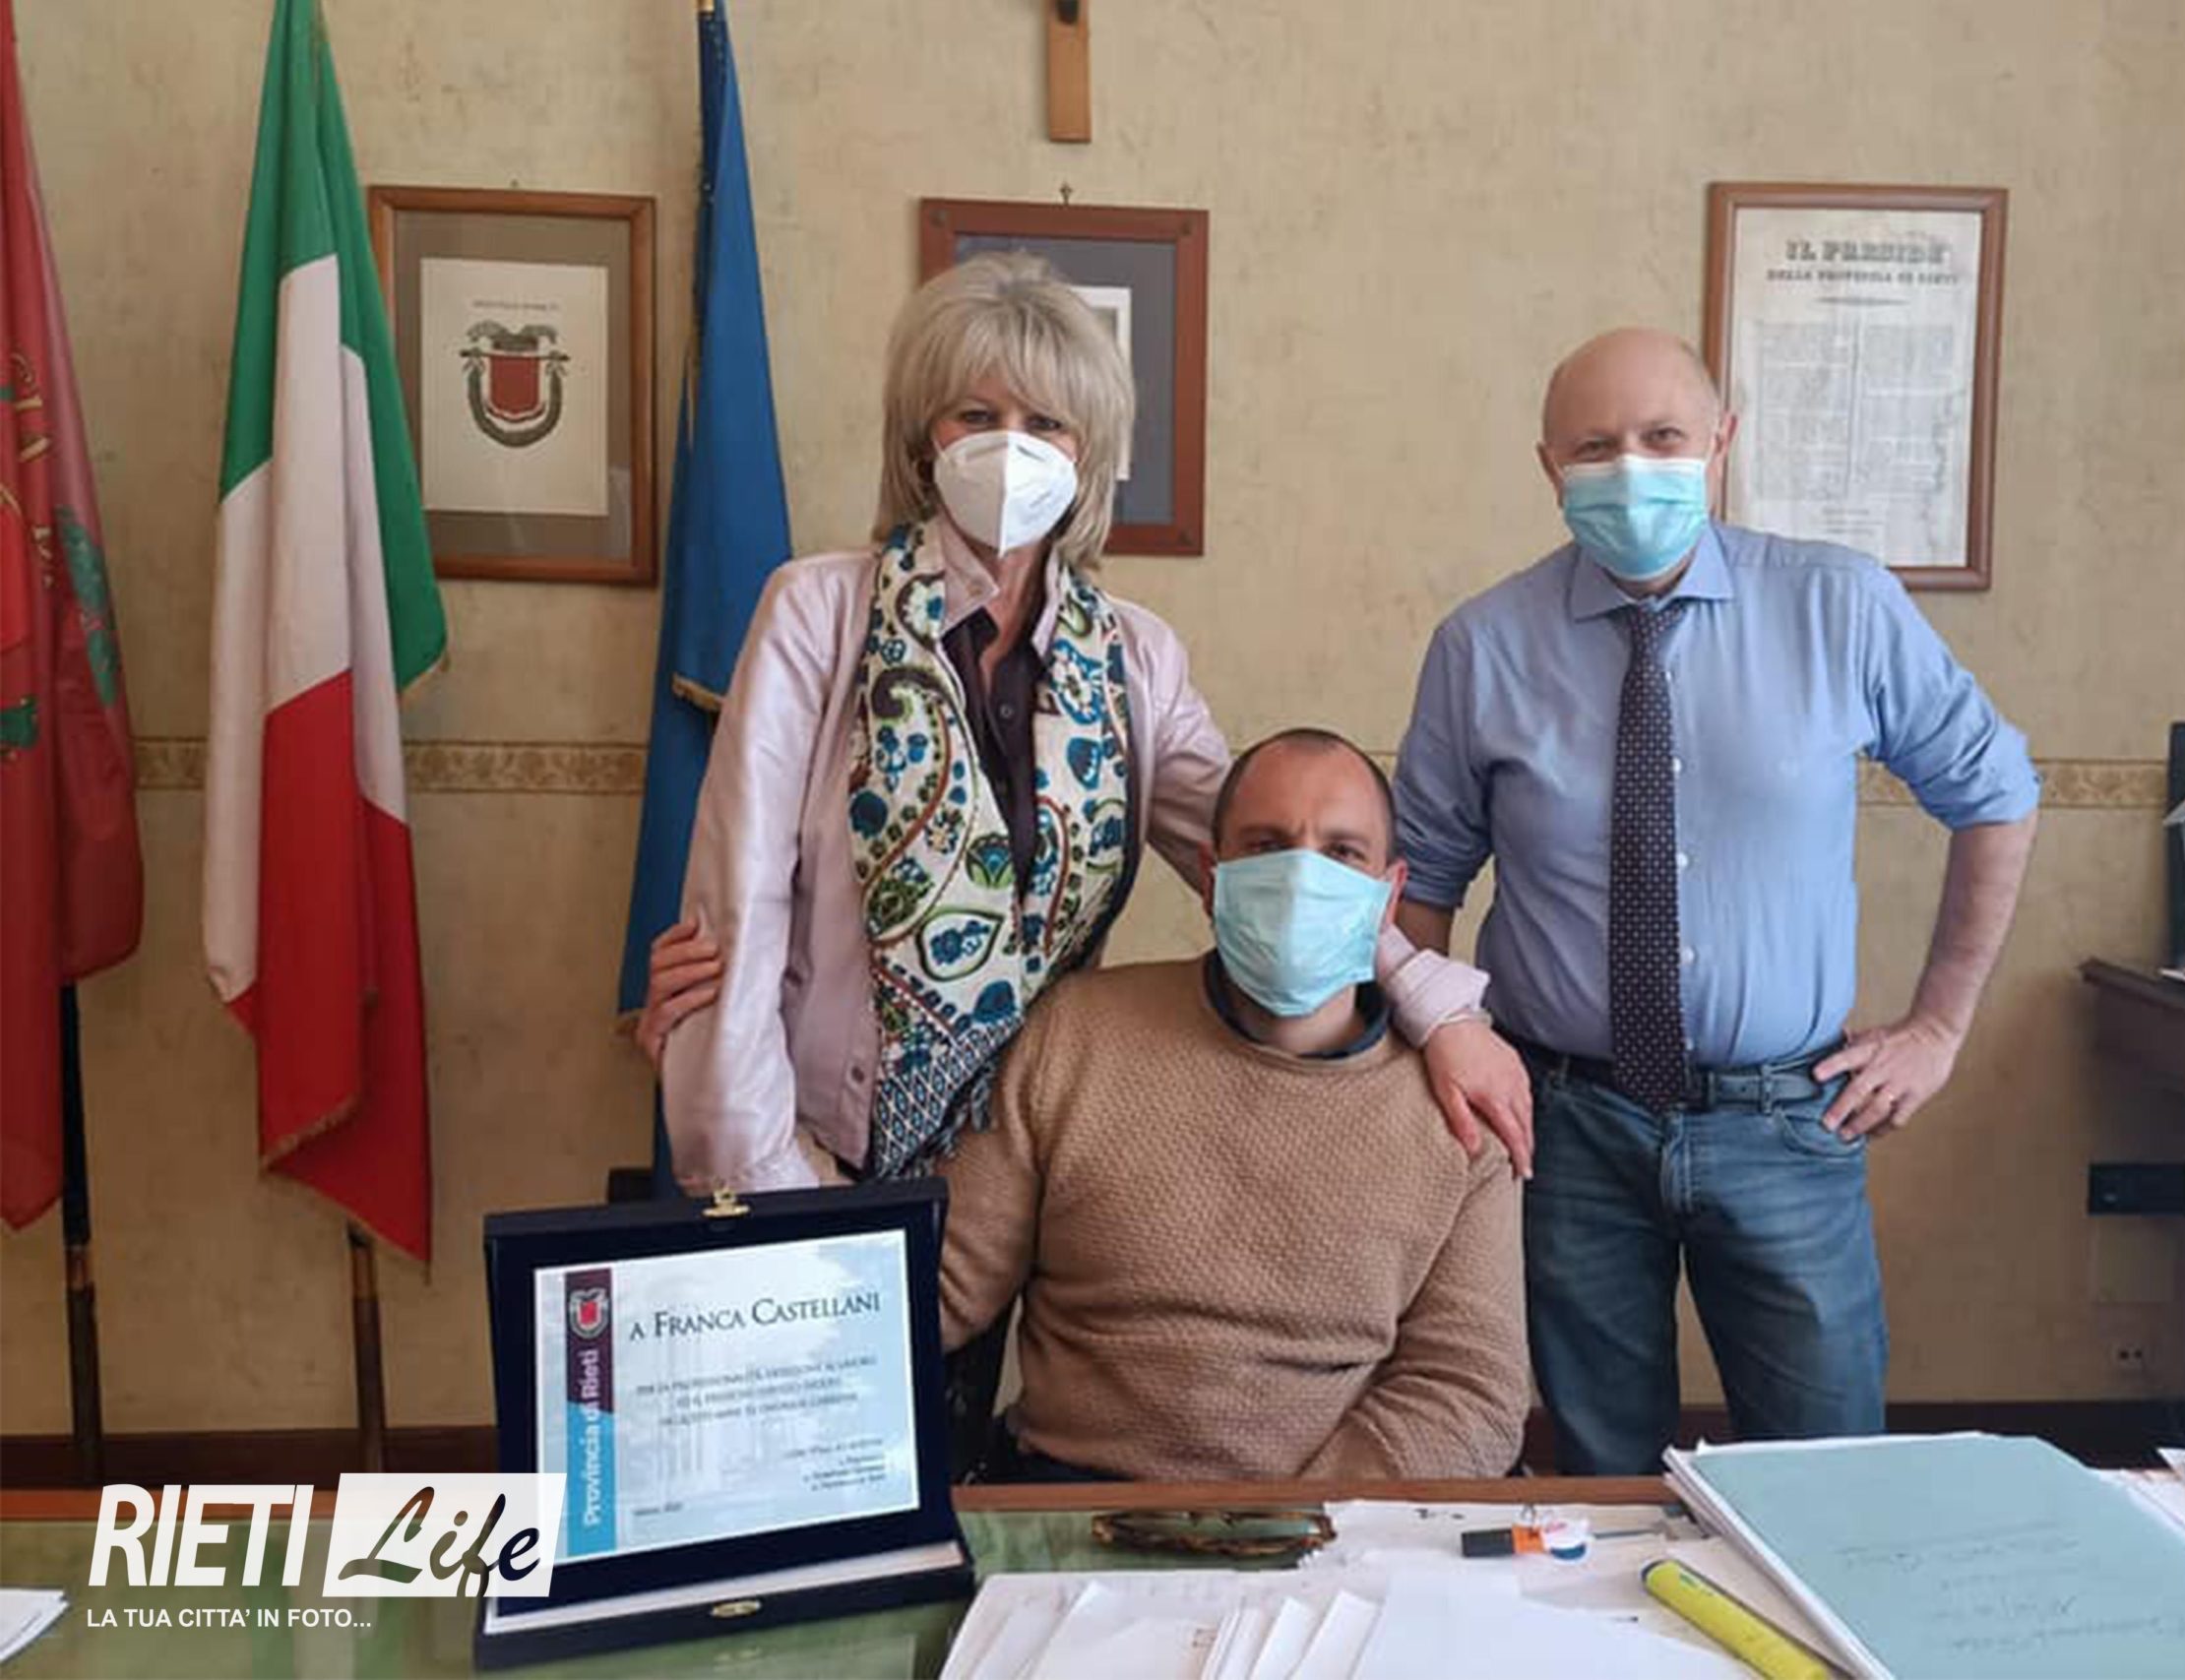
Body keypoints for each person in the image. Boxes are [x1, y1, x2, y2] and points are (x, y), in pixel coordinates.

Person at [644, 252, 1530, 1196]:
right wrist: (773, 1190)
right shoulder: (818, 612)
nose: (1009, 447)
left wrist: (1439, 1010)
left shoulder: (1133, 658)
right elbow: (737, 921)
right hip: (813, 1155)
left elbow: (1270, 866)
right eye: (975, 415)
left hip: (1022, 1170)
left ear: (1087, 452)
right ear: (922, 438)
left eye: (1045, 423)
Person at [1393, 327, 2039, 1471]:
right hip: (1563, 1126)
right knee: (1600, 1475)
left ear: (1721, 442)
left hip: (1787, 1119)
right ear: (1548, 466)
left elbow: (1995, 793)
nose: (1630, 469)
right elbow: (1421, 883)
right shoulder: (1481, 646)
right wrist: (1429, 1058)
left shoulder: (1839, 605)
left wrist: (1939, 1027)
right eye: (1595, 446)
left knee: (1826, 1476)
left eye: (1663, 437)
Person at [938, 728, 1528, 1481]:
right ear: (1212, 877)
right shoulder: (1076, 1033)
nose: (1300, 878)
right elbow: (944, 1288)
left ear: (1389, 895)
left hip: (1331, 1526)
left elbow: (1470, 1392)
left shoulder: (1462, 1105)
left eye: (1341, 852)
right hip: (1075, 1501)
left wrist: (1291, 1525)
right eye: (1267, 845)